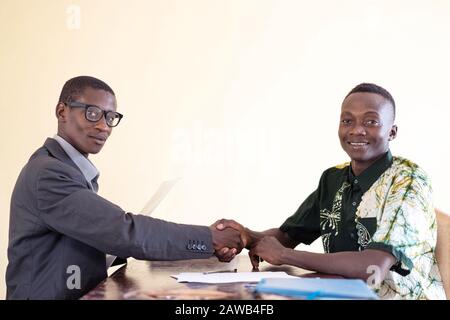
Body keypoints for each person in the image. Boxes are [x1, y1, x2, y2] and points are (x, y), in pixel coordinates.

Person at [6, 76, 242, 300]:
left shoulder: (69, 168)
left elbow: (99, 238)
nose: (103, 126)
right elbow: (122, 232)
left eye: (110, 117)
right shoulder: (49, 173)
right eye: (92, 113)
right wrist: (210, 238)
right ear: (62, 111)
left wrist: (207, 247)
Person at [218, 83, 445, 299]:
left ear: (392, 132)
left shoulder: (407, 182)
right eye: (348, 120)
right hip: (339, 294)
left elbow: (373, 268)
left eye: (371, 122)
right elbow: (288, 236)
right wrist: (246, 236)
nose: (357, 130)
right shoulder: (333, 178)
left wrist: (286, 256)